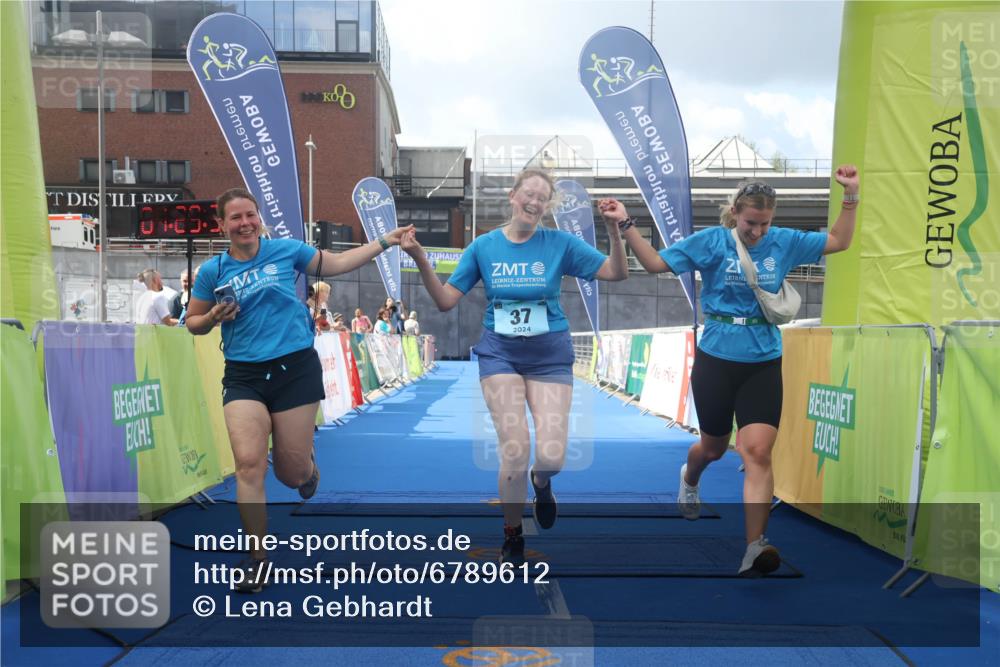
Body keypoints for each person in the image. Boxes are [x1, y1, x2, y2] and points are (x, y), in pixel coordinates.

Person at [615, 165, 860, 577]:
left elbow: (838, 240)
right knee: (712, 448)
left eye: (765, 224)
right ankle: (690, 477)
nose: (758, 232)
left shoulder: (784, 242)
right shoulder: (711, 242)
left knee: (758, 452)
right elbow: (656, 263)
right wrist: (626, 226)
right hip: (716, 357)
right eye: (751, 223)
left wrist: (850, 195)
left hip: (763, 359)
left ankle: (754, 546)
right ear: (735, 213)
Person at [185, 187, 412, 592]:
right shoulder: (211, 272)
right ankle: (257, 559)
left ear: (259, 218)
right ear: (221, 225)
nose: (244, 224)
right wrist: (214, 316)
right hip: (244, 376)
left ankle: (306, 463)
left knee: (291, 475)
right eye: (235, 218)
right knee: (249, 465)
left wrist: (383, 242)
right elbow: (193, 322)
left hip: (294, 369)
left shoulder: (286, 251)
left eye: (250, 215)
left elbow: (338, 262)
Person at [401, 168, 629, 563]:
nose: (535, 203)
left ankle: (542, 484)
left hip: (549, 356)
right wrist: (420, 257)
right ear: (513, 195)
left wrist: (613, 232)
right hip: (500, 354)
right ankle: (512, 535)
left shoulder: (559, 243)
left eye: (543, 198)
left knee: (553, 455)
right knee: (516, 447)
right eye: (530, 194)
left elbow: (616, 273)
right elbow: (444, 301)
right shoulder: (483, 247)